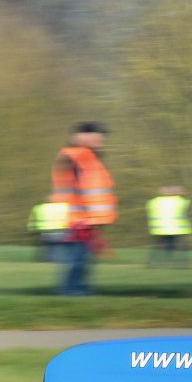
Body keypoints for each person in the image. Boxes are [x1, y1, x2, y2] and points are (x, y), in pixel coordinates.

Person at [50, 122, 116, 296]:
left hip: (83, 219)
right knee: (77, 259)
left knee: (81, 259)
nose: (101, 139)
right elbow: (83, 188)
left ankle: (77, 290)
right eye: (97, 135)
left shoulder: (84, 156)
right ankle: (73, 292)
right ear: (82, 136)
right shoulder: (79, 156)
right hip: (78, 220)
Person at [146, 185, 192, 267]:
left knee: (159, 246)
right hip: (176, 229)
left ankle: (151, 262)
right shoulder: (179, 201)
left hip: (159, 229)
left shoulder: (153, 201)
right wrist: (181, 193)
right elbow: (187, 203)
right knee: (181, 246)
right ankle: (184, 263)